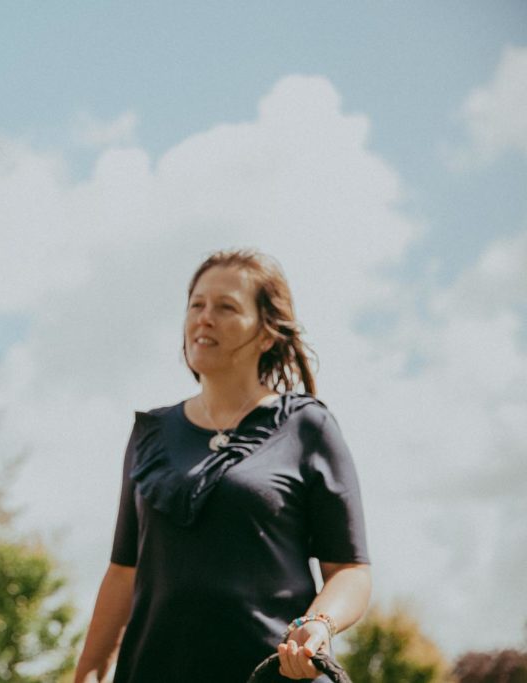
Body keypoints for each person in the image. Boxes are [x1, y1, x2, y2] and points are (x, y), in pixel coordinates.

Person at [74, 249, 371, 682]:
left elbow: (350, 570)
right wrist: (90, 671)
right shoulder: (150, 433)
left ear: (267, 333)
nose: (204, 318)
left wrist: (319, 624)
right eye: (197, 304)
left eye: (226, 307)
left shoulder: (309, 426)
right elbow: (123, 572)